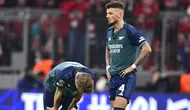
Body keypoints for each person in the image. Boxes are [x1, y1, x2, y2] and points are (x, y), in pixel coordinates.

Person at [105, 1, 152, 110]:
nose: (107, 16)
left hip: (125, 77)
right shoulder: (109, 31)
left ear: (120, 14)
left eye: (110, 13)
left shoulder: (130, 30)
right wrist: (108, 67)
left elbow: (147, 49)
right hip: (113, 77)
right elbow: (108, 49)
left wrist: (133, 67)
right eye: (107, 13)